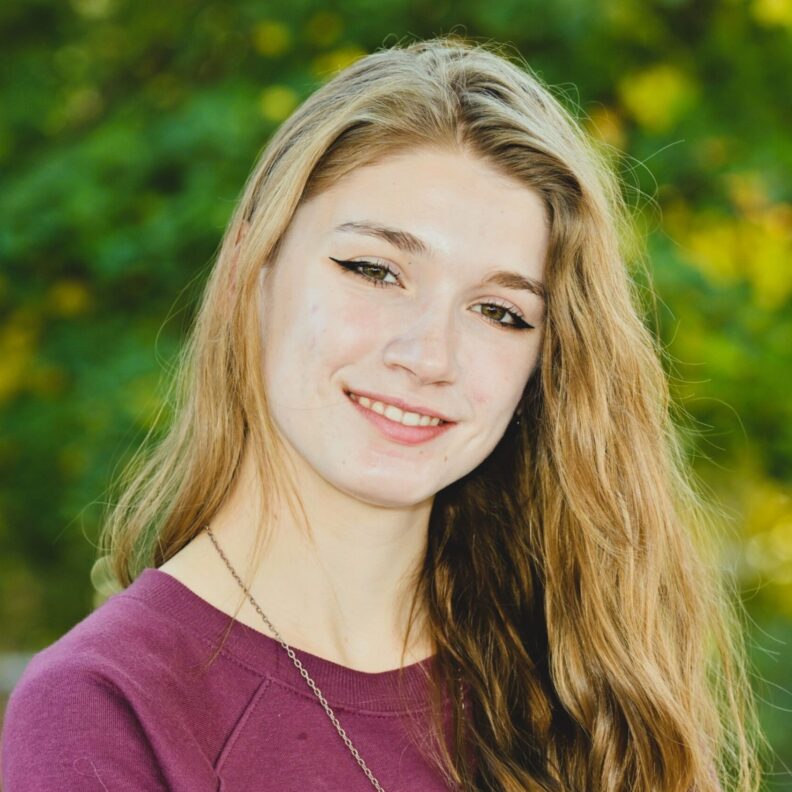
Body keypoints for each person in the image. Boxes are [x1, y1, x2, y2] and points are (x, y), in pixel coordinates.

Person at [1, 37, 761, 792]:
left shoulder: (585, 692)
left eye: (499, 311)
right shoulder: (102, 707)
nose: (429, 356)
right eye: (375, 270)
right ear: (251, 273)